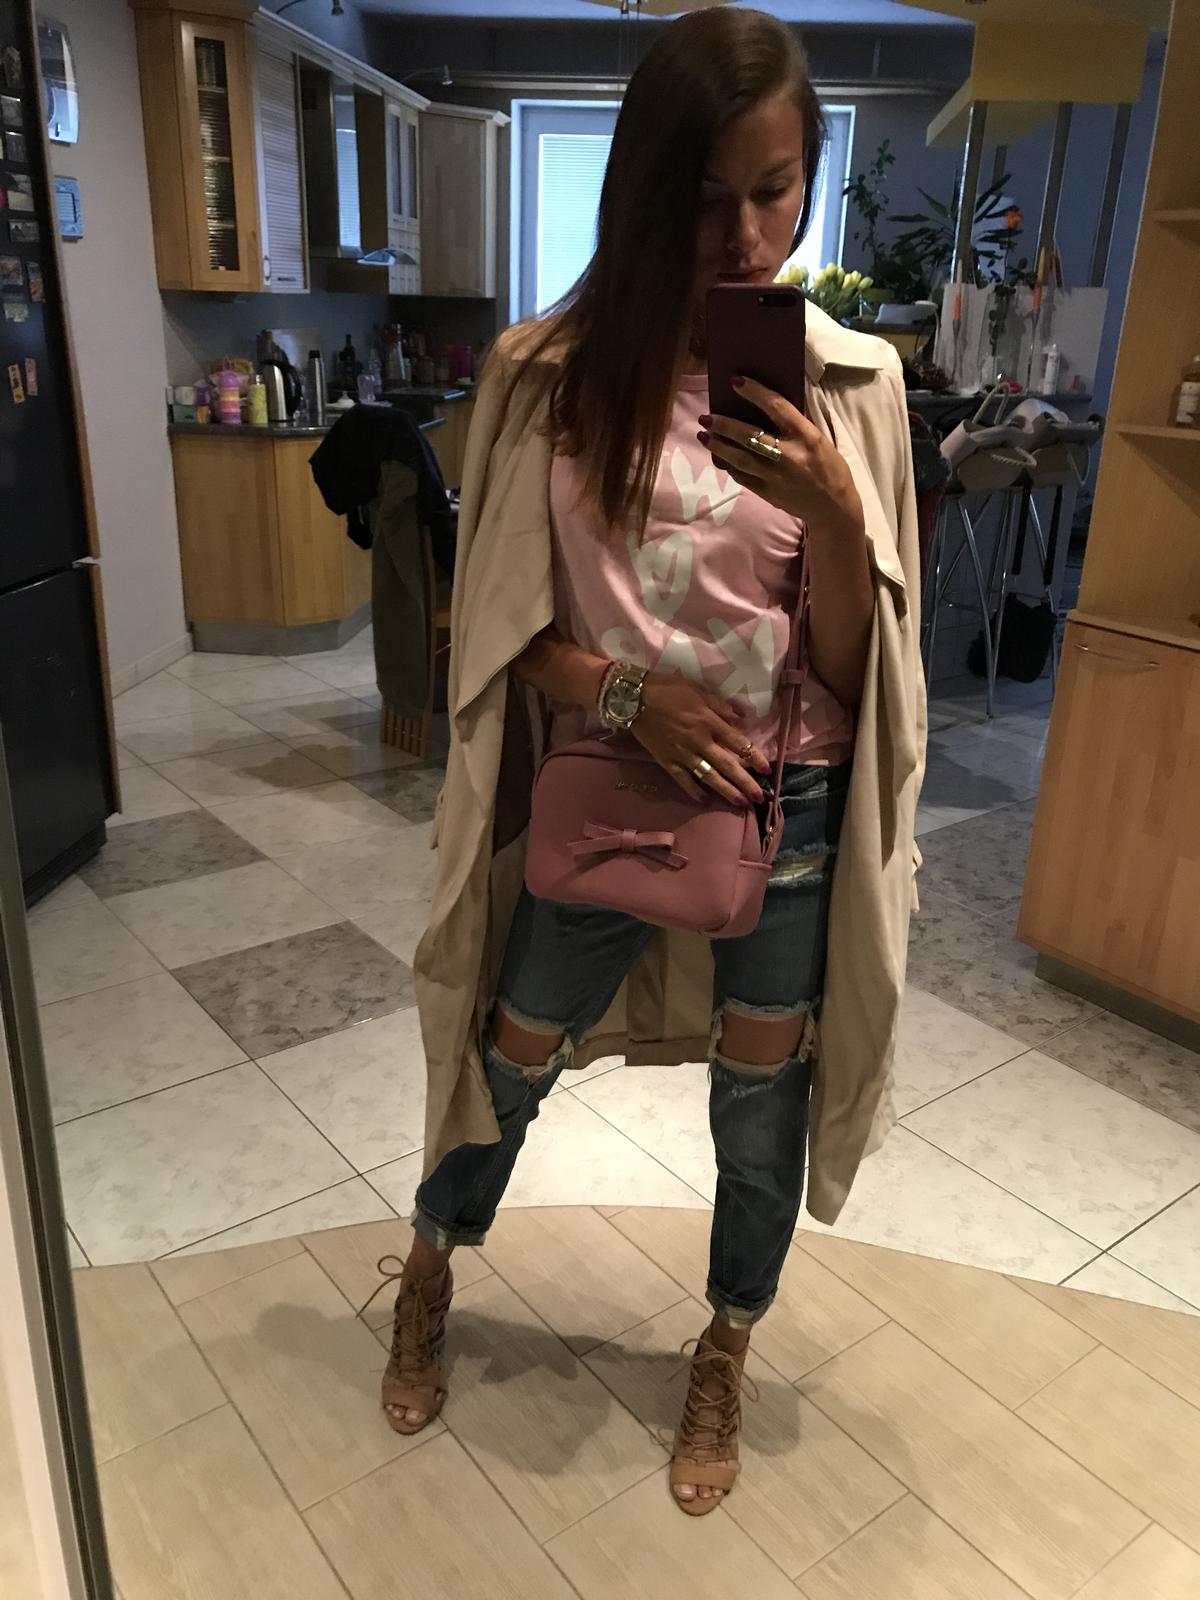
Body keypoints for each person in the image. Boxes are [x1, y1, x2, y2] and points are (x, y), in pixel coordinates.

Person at [378, 7, 925, 1518]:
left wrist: (836, 511)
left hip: (787, 801)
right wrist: (629, 698)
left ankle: (726, 1344)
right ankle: (429, 1260)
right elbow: (501, 638)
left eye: (774, 191)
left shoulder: (854, 388)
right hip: (610, 790)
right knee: (512, 1049)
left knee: (761, 1101)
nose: (745, 238)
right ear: (642, 195)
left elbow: (853, 674)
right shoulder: (548, 378)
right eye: (704, 200)